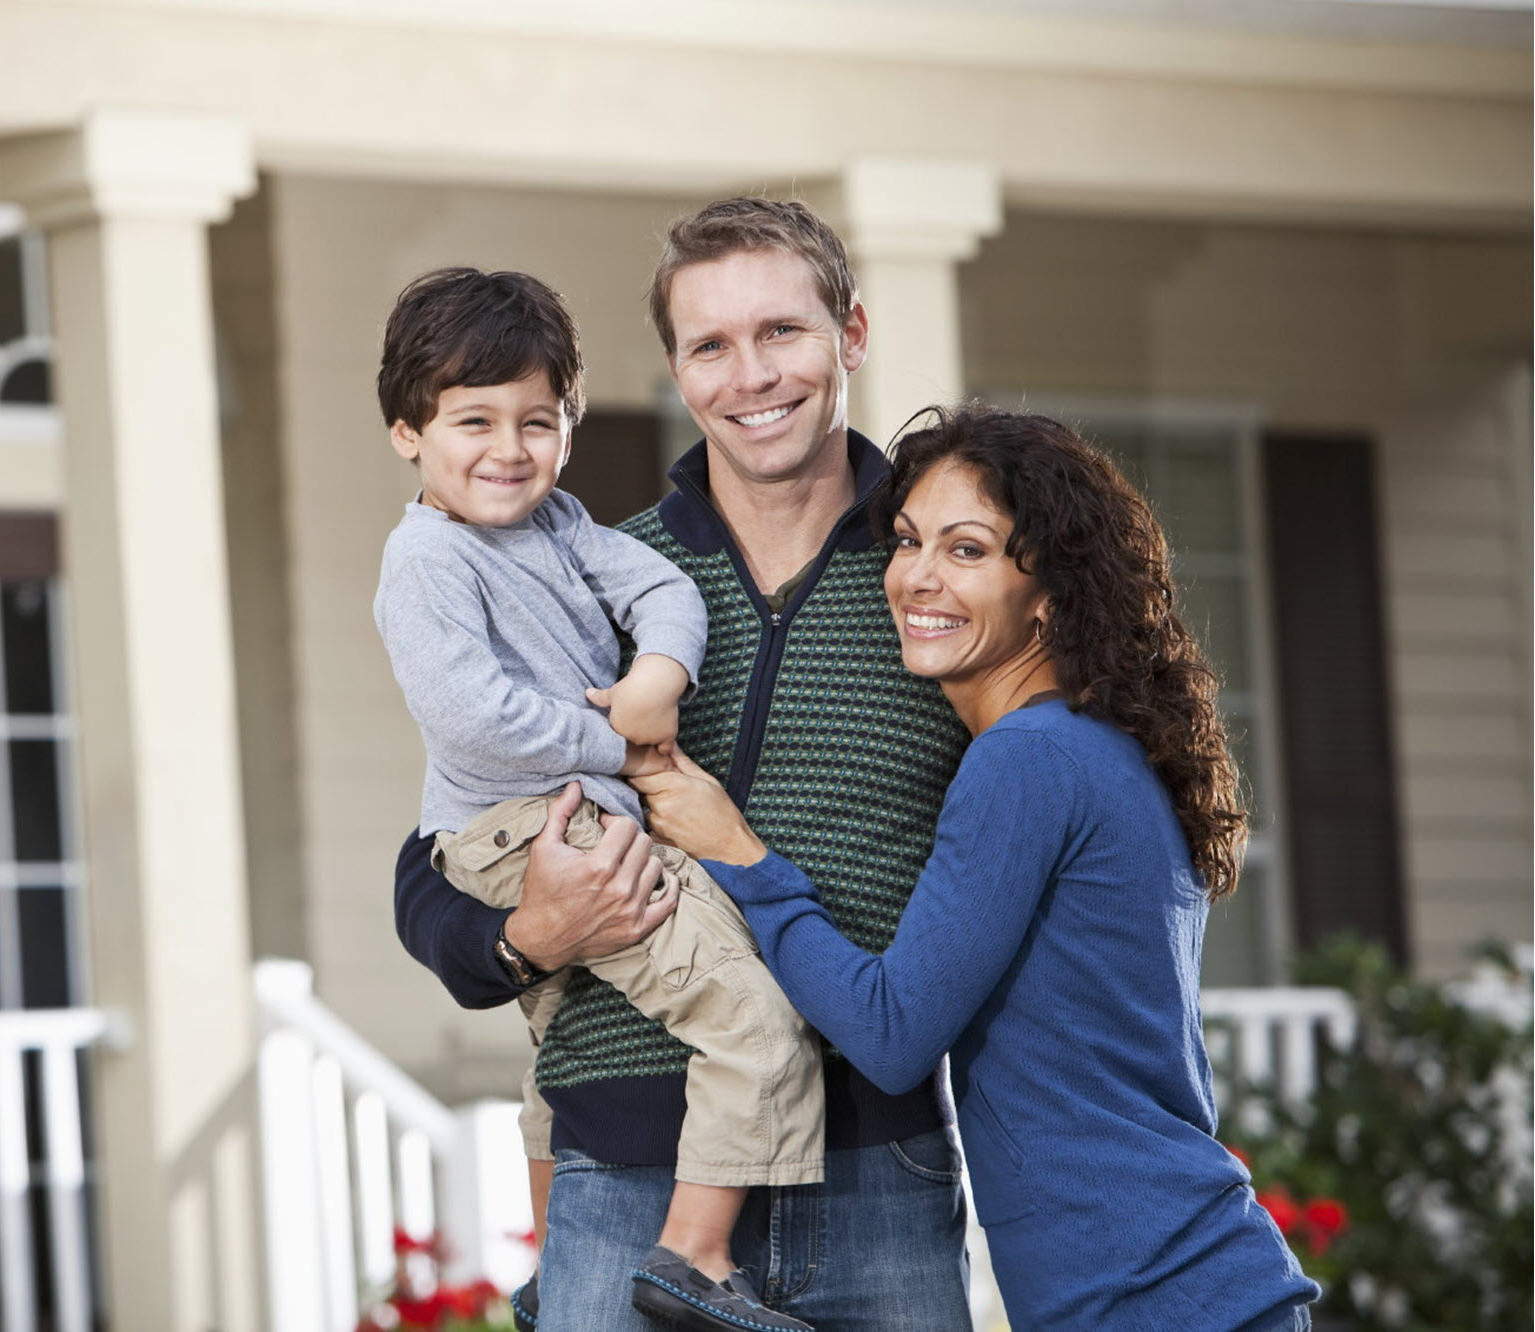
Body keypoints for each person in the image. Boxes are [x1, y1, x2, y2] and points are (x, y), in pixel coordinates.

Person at [393, 200, 975, 1330]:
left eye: (782, 333)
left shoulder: (935, 576)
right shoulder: (586, 570)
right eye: (709, 345)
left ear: (849, 332)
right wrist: (523, 940)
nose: (750, 375)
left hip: (880, 1178)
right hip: (624, 1177)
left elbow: (1026, 816)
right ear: (674, 368)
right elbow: (437, 854)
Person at [636, 405, 1322, 1330]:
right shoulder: (1085, 747)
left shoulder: (1028, 759)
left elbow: (890, 1033)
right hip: (1171, 1283)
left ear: (1050, 589)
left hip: (1153, 1294)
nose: (917, 575)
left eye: (968, 550)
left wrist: (737, 851)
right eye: (910, 540)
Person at [372, 266, 826, 1332]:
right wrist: (617, 748)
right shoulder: (424, 559)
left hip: (565, 813)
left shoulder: (560, 525)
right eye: (472, 420)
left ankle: (546, 1274)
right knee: (756, 1023)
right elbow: (473, 714)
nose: (508, 448)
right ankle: (694, 1256)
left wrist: (655, 678)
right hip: (524, 826)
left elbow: (660, 590)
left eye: (537, 421)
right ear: (407, 433)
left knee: (558, 1046)